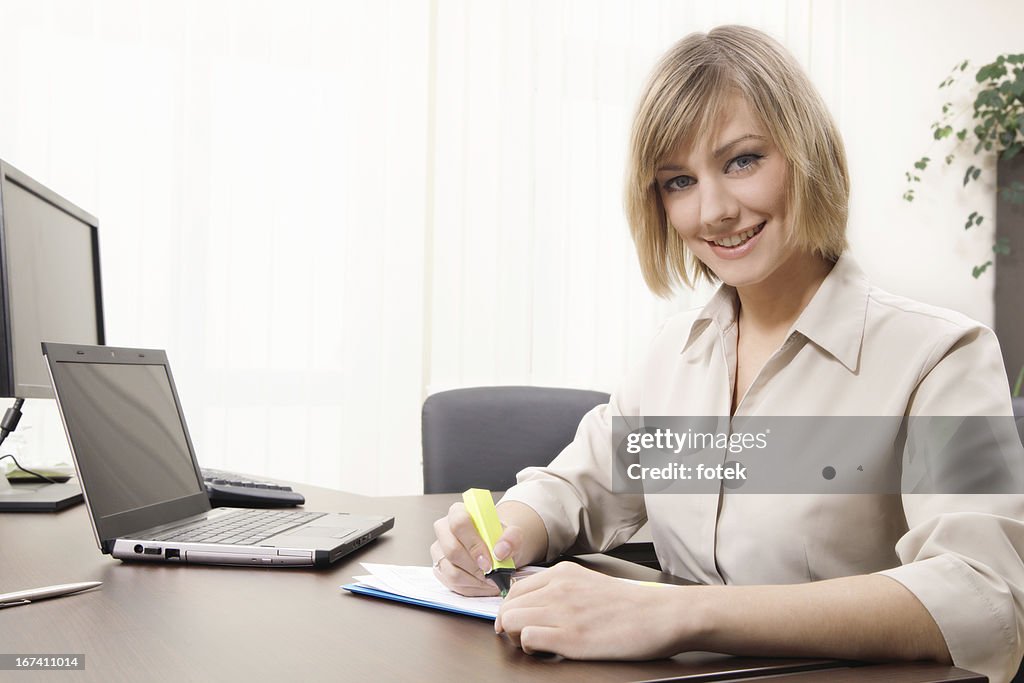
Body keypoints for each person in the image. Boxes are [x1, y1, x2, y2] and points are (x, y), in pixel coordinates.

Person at [430, 25, 1024, 683]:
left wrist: (681, 614)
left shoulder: (940, 355)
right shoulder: (674, 356)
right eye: (679, 180)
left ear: (806, 154)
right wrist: (502, 532)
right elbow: (579, 484)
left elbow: (981, 595)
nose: (712, 210)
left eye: (742, 160)